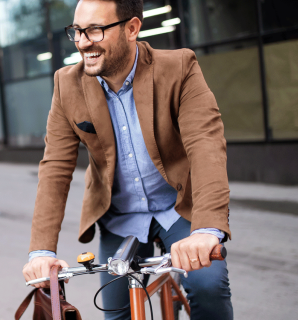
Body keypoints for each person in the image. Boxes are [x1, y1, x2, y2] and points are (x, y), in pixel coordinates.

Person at [21, 1, 233, 319]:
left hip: (179, 209)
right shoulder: (67, 84)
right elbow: (55, 168)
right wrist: (42, 252)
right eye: (77, 31)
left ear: (131, 28)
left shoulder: (179, 67)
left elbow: (206, 145)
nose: (82, 42)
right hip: (121, 217)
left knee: (208, 287)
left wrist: (205, 232)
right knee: (116, 312)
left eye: (94, 30)